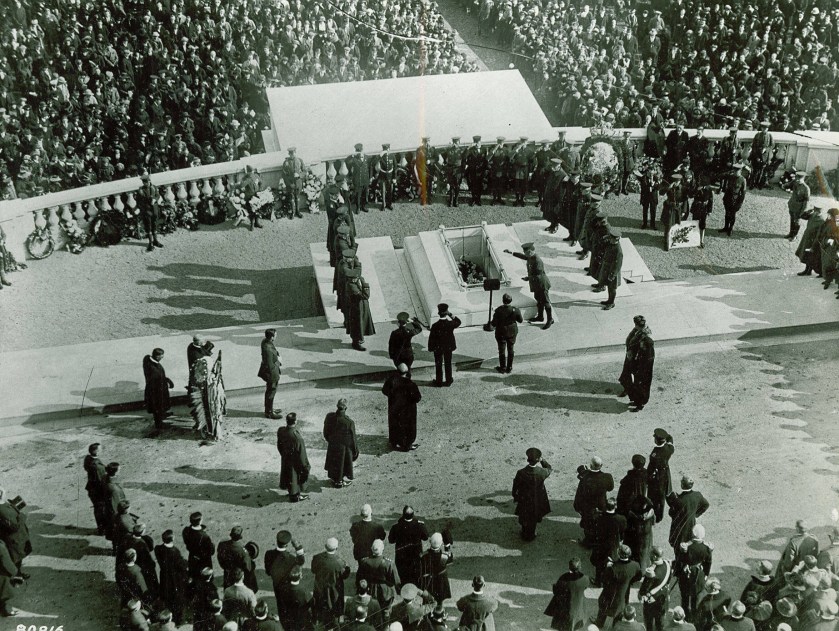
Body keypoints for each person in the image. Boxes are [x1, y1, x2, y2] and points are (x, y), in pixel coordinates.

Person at [505, 243, 553, 328]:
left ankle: (550, 319)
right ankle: (540, 317)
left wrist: (528, 278)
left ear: (531, 251)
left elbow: (537, 275)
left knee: (546, 302)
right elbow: (523, 257)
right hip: (536, 284)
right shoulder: (531, 257)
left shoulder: (537, 261)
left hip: (542, 284)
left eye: (526, 252)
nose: (525, 254)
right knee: (539, 300)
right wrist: (511, 252)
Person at [594, 545, 642, 627]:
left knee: (603, 609)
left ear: (619, 554)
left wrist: (607, 567)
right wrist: (629, 581)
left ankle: (599, 624)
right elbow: (638, 577)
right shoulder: (635, 565)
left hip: (609, 593)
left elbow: (603, 579)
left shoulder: (612, 568)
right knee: (619, 611)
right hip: (623, 593)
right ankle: (615, 627)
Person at [511, 447, 553, 541]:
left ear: (527, 459)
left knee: (524, 516)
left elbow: (516, 485)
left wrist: (515, 496)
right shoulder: (542, 472)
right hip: (537, 500)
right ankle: (531, 534)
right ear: (537, 461)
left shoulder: (521, 472)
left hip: (524, 499)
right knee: (533, 517)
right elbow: (549, 468)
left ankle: (524, 532)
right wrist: (543, 460)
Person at [311, 537, 351, 628]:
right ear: (336, 548)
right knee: (334, 610)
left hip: (320, 588)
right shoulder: (340, 563)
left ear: (325, 546)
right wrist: (348, 569)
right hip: (334, 591)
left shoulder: (316, 558)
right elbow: (344, 576)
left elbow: (313, 570)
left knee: (320, 606)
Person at [574, 457, 614, 547]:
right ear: (601, 466)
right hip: (602, 504)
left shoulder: (584, 478)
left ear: (590, 466)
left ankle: (588, 542)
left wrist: (577, 507)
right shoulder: (607, 476)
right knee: (601, 522)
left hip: (588, 506)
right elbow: (610, 488)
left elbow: (580, 494)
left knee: (588, 524)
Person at [676, 524, 713, 622]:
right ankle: (693, 616)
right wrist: (705, 574)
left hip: (686, 574)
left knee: (684, 596)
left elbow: (680, 560)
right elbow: (708, 563)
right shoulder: (706, 548)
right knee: (695, 596)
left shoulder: (686, 547)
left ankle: (684, 615)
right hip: (699, 574)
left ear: (693, 534)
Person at [382, 363, 423, 452]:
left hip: (394, 409)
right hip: (407, 411)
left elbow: (384, 391)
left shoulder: (391, 380)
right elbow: (417, 398)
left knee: (394, 425)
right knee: (408, 428)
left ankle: (394, 441)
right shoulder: (411, 384)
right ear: (407, 372)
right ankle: (407, 445)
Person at [356, 539, 401, 619]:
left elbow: (359, 578)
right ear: (382, 548)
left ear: (371, 549)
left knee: (370, 611)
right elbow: (396, 581)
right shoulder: (389, 563)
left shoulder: (364, 562)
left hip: (370, 589)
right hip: (385, 592)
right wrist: (398, 590)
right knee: (385, 611)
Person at [154, 529, 189, 627]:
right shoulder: (175, 552)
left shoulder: (158, 549)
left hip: (165, 577)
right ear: (172, 539)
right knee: (177, 599)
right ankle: (177, 620)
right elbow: (181, 566)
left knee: (167, 596)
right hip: (175, 579)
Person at [666, 477, 710, 554]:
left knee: (678, 548)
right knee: (690, 546)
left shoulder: (678, 500)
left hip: (679, 528)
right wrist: (696, 514)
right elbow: (706, 504)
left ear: (682, 485)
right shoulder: (697, 495)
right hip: (691, 524)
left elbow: (671, 513)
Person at [544, 557, 589, 631]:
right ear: (580, 567)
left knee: (563, 625)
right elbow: (585, 587)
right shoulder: (585, 578)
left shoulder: (563, 577)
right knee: (575, 624)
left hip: (564, 608)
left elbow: (556, 591)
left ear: (569, 567)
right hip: (578, 606)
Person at [388, 506, 429, 587]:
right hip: (415, 555)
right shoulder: (419, 525)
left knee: (402, 571)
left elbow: (391, 540)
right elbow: (425, 537)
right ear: (413, 515)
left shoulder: (396, 527)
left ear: (403, 515)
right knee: (415, 571)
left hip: (401, 555)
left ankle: (403, 586)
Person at [591, 498, 627, 587]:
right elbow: (623, 531)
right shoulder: (621, 519)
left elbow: (594, 530)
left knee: (599, 564)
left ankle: (598, 581)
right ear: (616, 506)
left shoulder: (599, 517)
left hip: (601, 545)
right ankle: (610, 581)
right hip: (614, 545)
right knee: (612, 563)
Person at [323, 398, 359, 488]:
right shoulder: (349, 422)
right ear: (346, 408)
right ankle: (339, 481)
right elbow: (353, 439)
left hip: (332, 445)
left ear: (337, 406)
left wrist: (330, 440)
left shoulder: (329, 417)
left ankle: (336, 479)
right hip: (344, 448)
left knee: (335, 462)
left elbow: (325, 432)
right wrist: (355, 451)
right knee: (342, 463)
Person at [276, 412, 310, 502]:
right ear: (295, 421)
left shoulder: (281, 431)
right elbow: (302, 455)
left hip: (285, 458)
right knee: (294, 477)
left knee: (287, 475)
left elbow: (279, 446)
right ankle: (295, 496)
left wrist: (284, 455)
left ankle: (291, 491)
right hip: (295, 461)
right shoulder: (297, 438)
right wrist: (306, 467)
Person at [427, 303, 461, 386]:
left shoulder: (435, 325)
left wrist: (430, 348)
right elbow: (458, 322)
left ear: (438, 313)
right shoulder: (450, 324)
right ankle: (448, 380)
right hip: (448, 347)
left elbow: (431, 338)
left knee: (438, 364)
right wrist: (449, 313)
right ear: (446, 313)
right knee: (448, 363)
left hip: (438, 347)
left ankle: (439, 381)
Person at [639, 547, 672, 631]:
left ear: (654, 557)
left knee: (649, 621)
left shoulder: (652, 572)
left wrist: (641, 594)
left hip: (651, 599)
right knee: (660, 620)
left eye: (651, 554)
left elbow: (645, 588)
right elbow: (668, 580)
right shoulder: (667, 564)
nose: (649, 555)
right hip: (662, 596)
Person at [143, 348, 174, 434]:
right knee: (158, 406)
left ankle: (162, 415)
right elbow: (159, 379)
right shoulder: (154, 370)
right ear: (157, 357)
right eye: (161, 356)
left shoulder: (148, 360)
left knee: (159, 406)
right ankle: (159, 424)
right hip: (156, 391)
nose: (162, 357)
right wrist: (168, 381)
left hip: (154, 389)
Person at [490, 293, 523, 374]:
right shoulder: (515, 310)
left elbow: (493, 323)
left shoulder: (498, 310)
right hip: (512, 331)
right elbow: (520, 320)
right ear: (511, 300)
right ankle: (509, 367)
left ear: (503, 300)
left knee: (501, 350)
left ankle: (502, 367)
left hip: (501, 331)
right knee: (511, 349)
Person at [345, 268, 375, 351]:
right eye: (351, 278)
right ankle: (356, 342)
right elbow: (365, 296)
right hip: (356, 309)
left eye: (355, 277)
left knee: (361, 324)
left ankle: (359, 339)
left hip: (362, 306)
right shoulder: (351, 286)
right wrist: (366, 286)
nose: (353, 280)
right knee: (357, 325)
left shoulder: (360, 279)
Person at [648, 428, 674, 523]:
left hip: (657, 475)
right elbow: (671, 440)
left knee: (655, 495)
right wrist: (667, 436)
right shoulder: (669, 449)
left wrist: (648, 477)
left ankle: (655, 514)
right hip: (665, 473)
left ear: (656, 441)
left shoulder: (655, 454)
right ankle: (660, 515)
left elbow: (650, 468)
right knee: (662, 495)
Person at [182, 512, 215, 585]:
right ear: (200, 521)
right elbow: (211, 551)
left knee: (194, 576)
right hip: (204, 560)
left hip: (193, 558)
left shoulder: (186, 531)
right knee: (205, 578)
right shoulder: (205, 537)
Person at [217, 526, 255, 591]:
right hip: (238, 575)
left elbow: (219, 557)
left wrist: (225, 567)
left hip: (227, 573)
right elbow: (248, 567)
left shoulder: (222, 544)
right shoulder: (242, 551)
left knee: (228, 592)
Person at [420, 532, 454, 606]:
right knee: (440, 601)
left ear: (430, 542)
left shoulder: (423, 555)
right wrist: (447, 546)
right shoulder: (445, 556)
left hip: (429, 582)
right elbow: (450, 560)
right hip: (441, 582)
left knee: (427, 601)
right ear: (441, 543)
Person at [276, 566, 313, 631]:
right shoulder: (303, 590)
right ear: (300, 576)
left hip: (289, 619)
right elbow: (311, 603)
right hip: (302, 619)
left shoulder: (283, 589)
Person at [796, 205, 829, 276]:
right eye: (815, 210)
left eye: (817, 210)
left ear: (820, 211)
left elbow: (820, 233)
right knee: (805, 254)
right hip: (806, 238)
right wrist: (808, 211)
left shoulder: (821, 220)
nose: (815, 211)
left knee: (811, 255)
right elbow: (802, 216)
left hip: (813, 240)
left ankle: (808, 271)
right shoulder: (812, 216)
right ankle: (807, 270)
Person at [83, 442, 108, 535]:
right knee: (101, 510)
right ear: (95, 451)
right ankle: (102, 529)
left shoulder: (88, 458)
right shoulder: (96, 466)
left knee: (98, 509)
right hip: (98, 491)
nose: (102, 449)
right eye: (100, 448)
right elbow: (100, 480)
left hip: (92, 488)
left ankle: (101, 528)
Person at [257, 329, 282, 420]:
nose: (276, 336)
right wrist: (278, 362)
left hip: (271, 371)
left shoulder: (266, 341)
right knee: (271, 392)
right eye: (275, 335)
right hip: (272, 373)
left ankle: (270, 408)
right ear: (271, 337)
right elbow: (270, 365)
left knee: (270, 392)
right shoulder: (267, 348)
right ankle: (269, 412)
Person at [598, 227, 624, 311]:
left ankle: (611, 303)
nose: (610, 240)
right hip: (607, 269)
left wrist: (612, 275)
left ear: (616, 239)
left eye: (611, 239)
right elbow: (601, 245)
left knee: (612, 288)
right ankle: (609, 300)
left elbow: (617, 265)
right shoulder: (611, 244)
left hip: (613, 272)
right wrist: (604, 238)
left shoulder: (618, 250)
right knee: (609, 287)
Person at [137, 173, 163, 252]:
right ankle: (150, 243)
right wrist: (148, 200)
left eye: (148, 182)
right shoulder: (140, 190)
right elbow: (139, 201)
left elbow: (158, 195)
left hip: (155, 209)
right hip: (147, 210)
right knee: (148, 226)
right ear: (143, 183)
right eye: (145, 182)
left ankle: (155, 241)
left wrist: (155, 199)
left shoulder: (154, 187)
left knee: (155, 224)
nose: (146, 184)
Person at [720, 164, 746, 236]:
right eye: (734, 170)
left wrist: (739, 203)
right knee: (727, 213)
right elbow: (721, 176)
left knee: (732, 215)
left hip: (735, 200)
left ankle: (730, 228)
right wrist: (728, 172)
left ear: (740, 171)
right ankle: (725, 227)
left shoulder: (743, 180)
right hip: (727, 198)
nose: (736, 172)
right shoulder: (730, 177)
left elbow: (743, 193)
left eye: (737, 171)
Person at [281, 147, 305, 218]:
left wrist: (299, 175)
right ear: (289, 154)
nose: (292, 155)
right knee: (291, 198)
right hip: (290, 183)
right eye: (290, 154)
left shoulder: (300, 160)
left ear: (295, 152)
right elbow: (284, 175)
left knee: (297, 197)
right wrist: (289, 184)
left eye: (293, 153)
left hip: (298, 183)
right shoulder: (286, 162)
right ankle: (293, 212)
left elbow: (304, 171)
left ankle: (298, 211)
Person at [690, 184, 716, 248]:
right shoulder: (696, 187)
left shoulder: (708, 189)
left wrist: (709, 210)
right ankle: (694, 238)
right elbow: (690, 195)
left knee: (702, 224)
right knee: (695, 222)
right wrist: (696, 190)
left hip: (704, 208)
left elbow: (710, 200)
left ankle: (701, 240)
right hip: (696, 207)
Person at [464, 135, 487, 206]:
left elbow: (486, 160)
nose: (477, 143)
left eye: (478, 142)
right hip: (473, 171)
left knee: (480, 185)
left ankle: (478, 199)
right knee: (473, 185)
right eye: (475, 142)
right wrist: (468, 147)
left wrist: (484, 169)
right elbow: (464, 156)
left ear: (480, 142)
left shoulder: (484, 149)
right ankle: (473, 199)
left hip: (481, 171)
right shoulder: (471, 150)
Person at [787, 171, 811, 241]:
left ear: (803, 179)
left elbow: (806, 202)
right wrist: (785, 186)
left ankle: (794, 236)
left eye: (798, 179)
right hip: (792, 205)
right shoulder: (795, 182)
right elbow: (788, 185)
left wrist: (802, 211)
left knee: (797, 222)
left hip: (799, 208)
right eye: (796, 178)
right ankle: (791, 233)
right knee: (792, 220)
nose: (797, 180)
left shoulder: (806, 188)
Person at [749, 122, 774, 189]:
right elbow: (753, 146)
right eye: (763, 128)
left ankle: (759, 184)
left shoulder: (769, 136)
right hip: (756, 155)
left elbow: (772, 146)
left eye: (766, 128)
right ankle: (752, 184)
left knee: (762, 172)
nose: (764, 129)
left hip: (765, 157)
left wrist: (766, 149)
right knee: (755, 171)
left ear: (767, 129)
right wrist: (756, 157)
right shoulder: (757, 135)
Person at [239, 165, 264, 230]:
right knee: (251, 211)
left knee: (258, 209)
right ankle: (252, 224)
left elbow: (261, 182)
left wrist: (260, 189)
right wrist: (245, 177)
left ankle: (257, 222)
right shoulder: (248, 178)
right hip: (249, 197)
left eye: (252, 172)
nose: (251, 174)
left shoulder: (256, 176)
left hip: (256, 195)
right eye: (251, 172)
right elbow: (242, 185)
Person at [349, 143, 371, 213]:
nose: (359, 152)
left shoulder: (367, 158)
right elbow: (347, 162)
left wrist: (370, 177)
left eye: (360, 150)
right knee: (358, 194)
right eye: (358, 151)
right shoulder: (354, 159)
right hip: (357, 180)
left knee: (365, 194)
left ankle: (363, 206)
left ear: (362, 149)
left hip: (365, 179)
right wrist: (352, 155)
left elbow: (371, 167)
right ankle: (358, 207)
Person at [415, 137, 435, 206]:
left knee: (430, 186)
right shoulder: (419, 150)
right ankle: (423, 200)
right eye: (425, 142)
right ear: (423, 142)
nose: (427, 143)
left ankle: (430, 200)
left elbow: (437, 158)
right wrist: (421, 171)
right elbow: (417, 162)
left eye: (428, 141)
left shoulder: (433, 149)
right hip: (423, 171)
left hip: (431, 171)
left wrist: (431, 161)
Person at [488, 137, 509, 205]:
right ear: (497, 142)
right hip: (495, 169)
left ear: (504, 142)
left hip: (502, 170)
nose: (500, 143)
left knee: (501, 185)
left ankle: (499, 198)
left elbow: (508, 160)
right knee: (494, 185)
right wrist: (494, 149)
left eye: (502, 142)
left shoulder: (506, 150)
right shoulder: (493, 149)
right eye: (499, 142)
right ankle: (494, 199)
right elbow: (488, 158)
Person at [444, 136, 463, 207]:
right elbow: (445, 158)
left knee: (457, 186)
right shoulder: (449, 150)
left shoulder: (461, 150)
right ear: (453, 142)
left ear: (459, 142)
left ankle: (456, 201)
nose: (455, 143)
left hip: (458, 170)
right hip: (451, 169)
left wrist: (463, 170)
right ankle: (451, 201)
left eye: (457, 142)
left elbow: (463, 160)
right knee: (451, 186)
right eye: (454, 142)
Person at [376, 143, 395, 210]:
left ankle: (389, 204)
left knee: (390, 191)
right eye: (385, 149)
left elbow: (395, 167)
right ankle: (383, 205)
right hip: (382, 176)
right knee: (383, 191)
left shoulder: (392, 156)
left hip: (390, 176)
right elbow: (376, 161)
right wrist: (380, 155)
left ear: (389, 149)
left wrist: (394, 177)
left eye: (387, 149)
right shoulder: (381, 156)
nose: (387, 150)